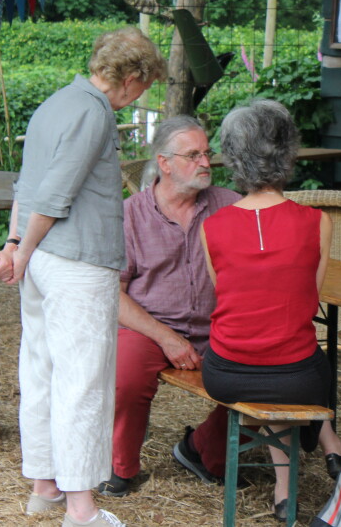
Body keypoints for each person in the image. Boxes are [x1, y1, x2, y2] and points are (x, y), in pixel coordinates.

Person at [0, 27, 166, 527]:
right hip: (76, 263)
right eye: (143, 85)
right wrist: (20, 250)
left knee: (41, 370)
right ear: (130, 79)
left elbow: (27, 185)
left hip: (44, 260)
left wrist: (16, 244)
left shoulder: (56, 103)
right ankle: (82, 509)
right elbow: (55, 193)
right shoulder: (94, 111)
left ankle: (44, 486)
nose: (139, 95)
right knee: (83, 383)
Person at [199, 100, 341, 522]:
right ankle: (332, 446)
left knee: (272, 367)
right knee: (305, 365)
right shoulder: (317, 221)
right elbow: (307, 301)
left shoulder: (212, 227)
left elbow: (229, 300)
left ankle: (285, 494)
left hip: (225, 373)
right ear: (288, 151)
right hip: (296, 377)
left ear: (233, 156)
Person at [93, 115, 242, 497]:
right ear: (164, 162)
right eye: (193, 155)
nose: (206, 163)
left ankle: (202, 449)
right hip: (150, 326)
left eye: (207, 153)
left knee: (269, 372)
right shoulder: (130, 215)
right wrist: (167, 338)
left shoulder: (230, 206)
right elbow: (113, 294)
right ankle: (121, 466)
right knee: (125, 372)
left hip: (219, 327)